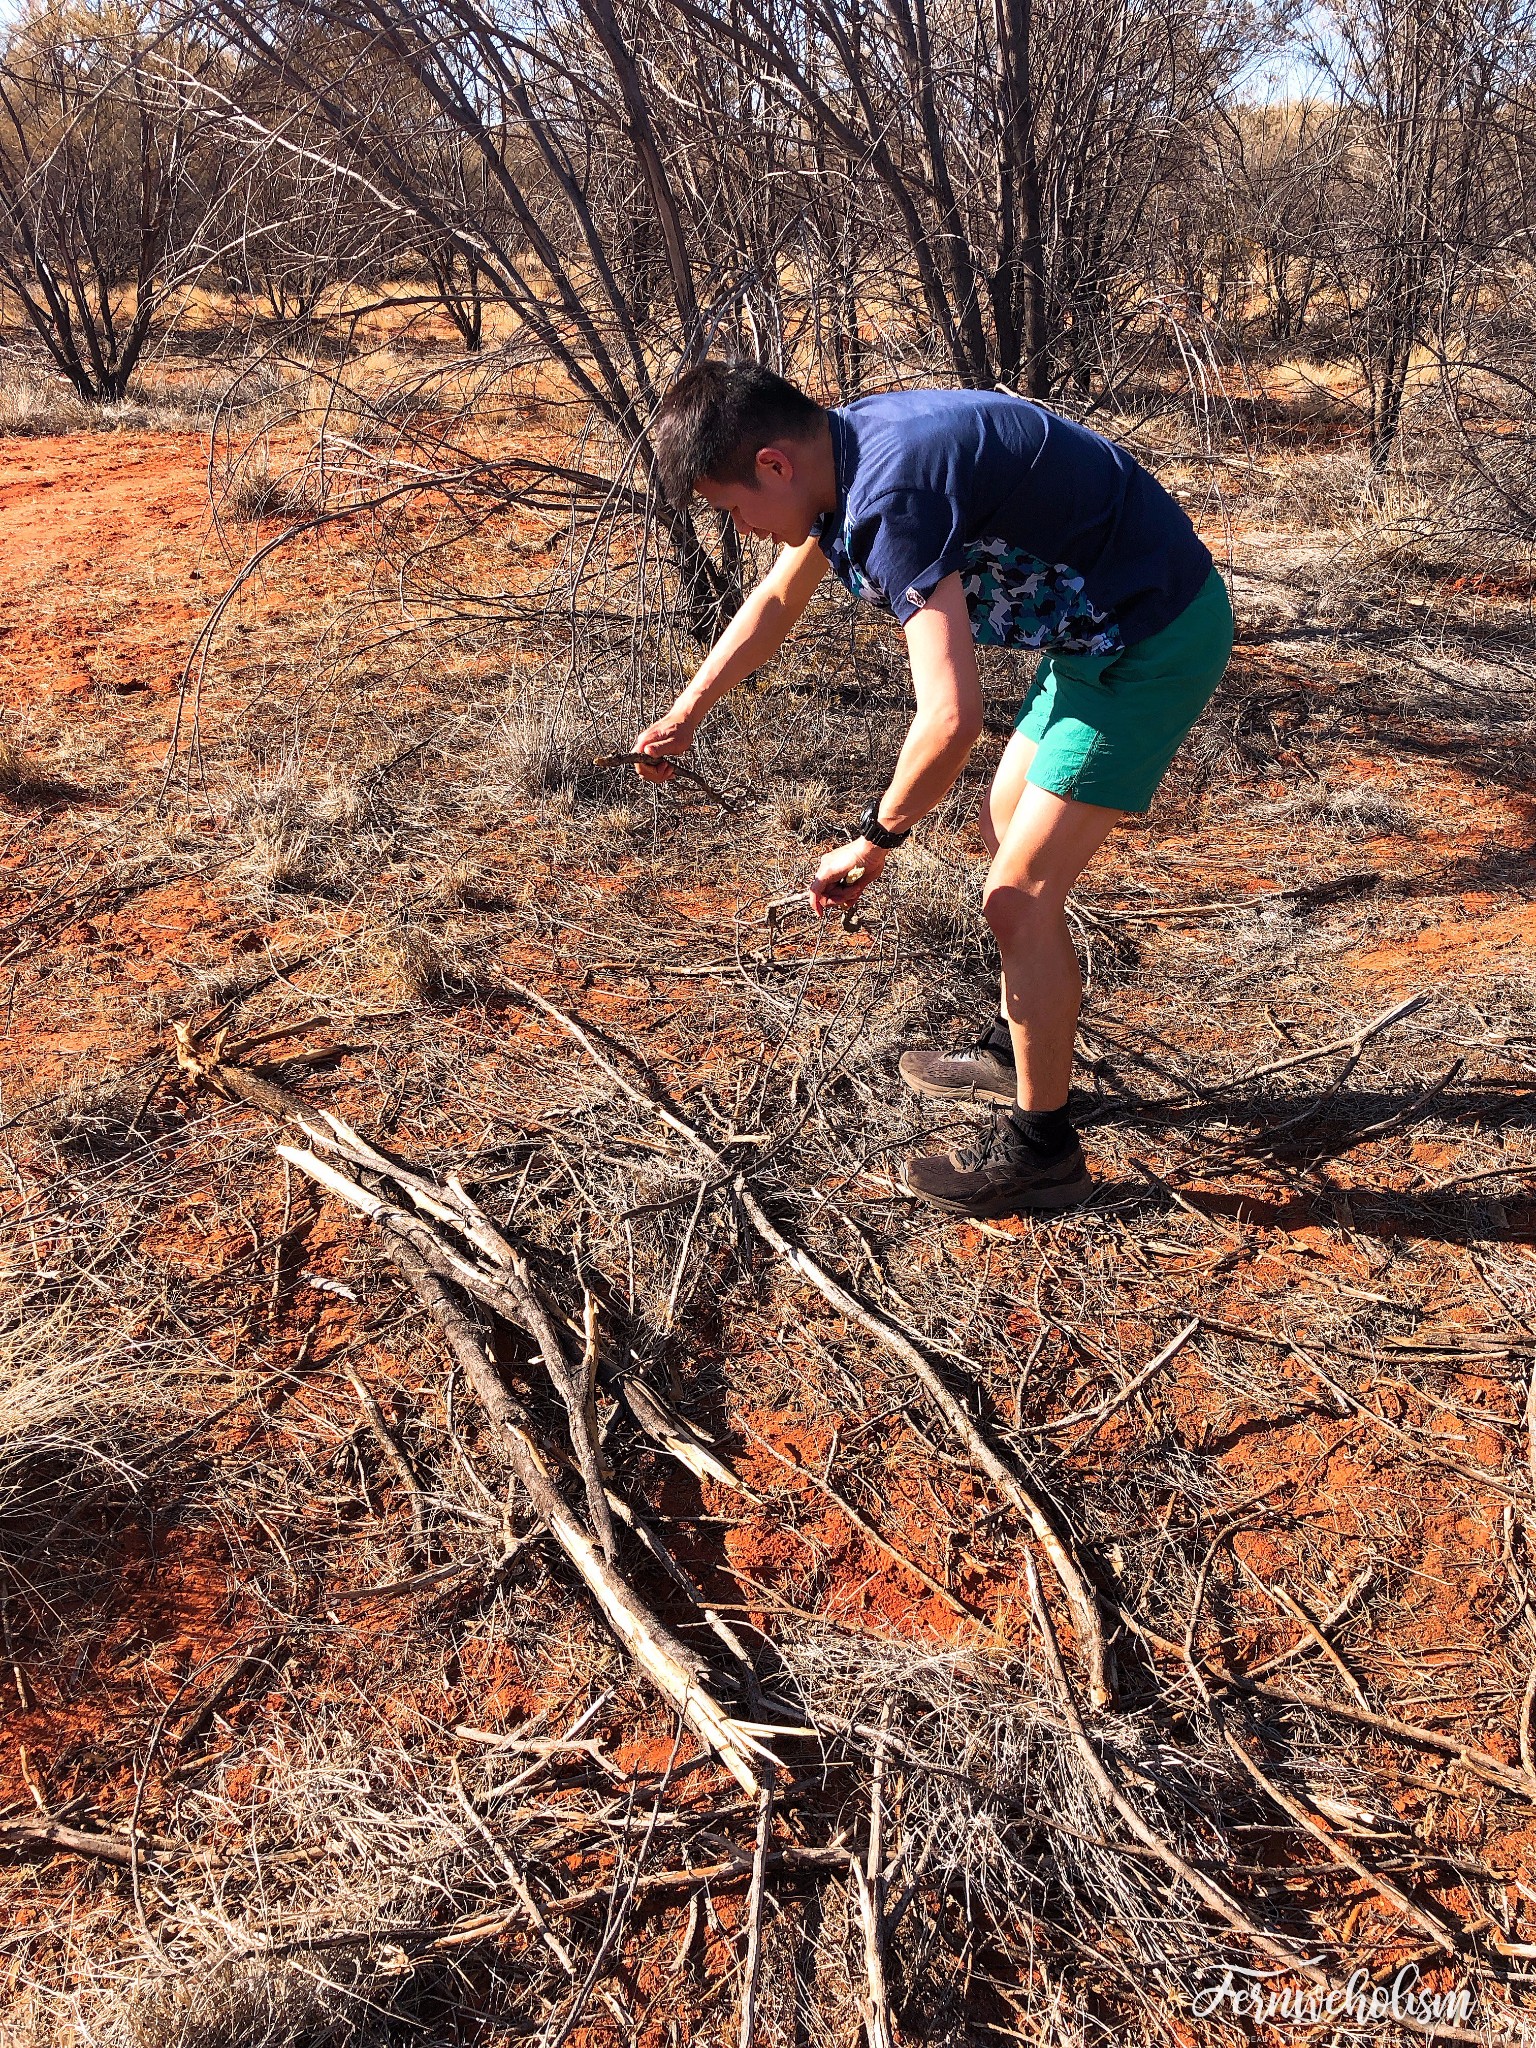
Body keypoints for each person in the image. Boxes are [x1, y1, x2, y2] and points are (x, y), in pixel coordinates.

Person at [630, 359, 1231, 1220]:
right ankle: (1019, 1049)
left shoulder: (889, 501)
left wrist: (874, 840)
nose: (747, 528)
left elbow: (951, 720)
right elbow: (776, 598)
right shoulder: (845, 447)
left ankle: (1044, 1153)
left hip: (1151, 638)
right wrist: (688, 711)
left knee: (1018, 898)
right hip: (1096, 628)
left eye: (732, 509)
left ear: (773, 465)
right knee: (1005, 822)